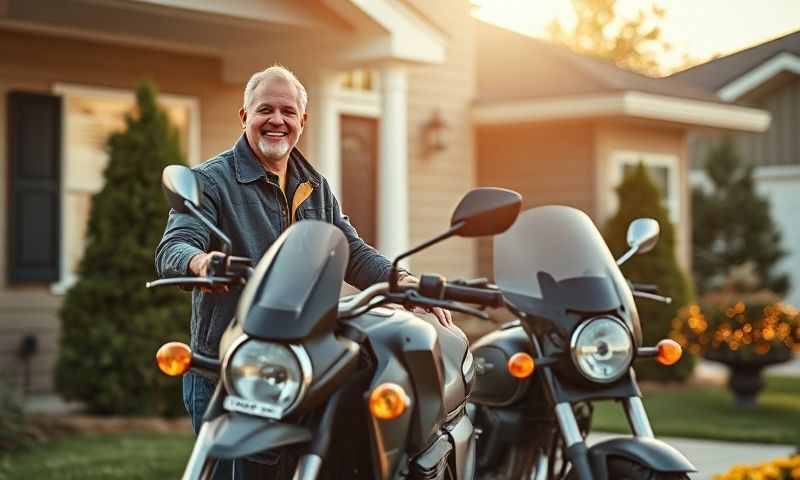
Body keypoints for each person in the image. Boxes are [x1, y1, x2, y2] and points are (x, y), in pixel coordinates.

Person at [155, 65, 452, 477]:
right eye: (265, 110)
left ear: (302, 122)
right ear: (245, 117)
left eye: (288, 112)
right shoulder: (210, 181)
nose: (277, 120)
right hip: (232, 369)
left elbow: (354, 253)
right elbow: (174, 247)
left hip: (303, 368)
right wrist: (201, 261)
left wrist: (403, 282)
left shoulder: (313, 184)